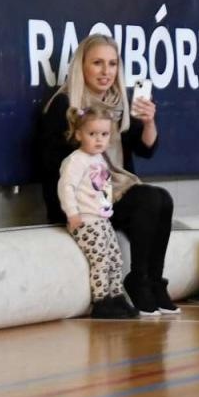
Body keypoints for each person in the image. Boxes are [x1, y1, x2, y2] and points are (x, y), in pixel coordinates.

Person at [35, 34, 177, 316]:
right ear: (81, 66)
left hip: (114, 194)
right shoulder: (65, 105)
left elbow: (145, 149)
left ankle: (152, 281)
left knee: (162, 198)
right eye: (97, 63)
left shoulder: (118, 103)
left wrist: (148, 122)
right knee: (148, 198)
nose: (106, 71)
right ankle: (137, 280)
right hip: (85, 201)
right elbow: (51, 167)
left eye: (112, 64)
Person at [57, 104, 138, 320]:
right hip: (85, 221)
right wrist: (73, 213)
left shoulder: (99, 159)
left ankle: (116, 296)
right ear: (78, 134)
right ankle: (102, 301)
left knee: (115, 257)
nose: (99, 139)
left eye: (104, 134)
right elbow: (66, 187)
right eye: (92, 134)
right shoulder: (76, 160)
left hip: (101, 219)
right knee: (100, 259)